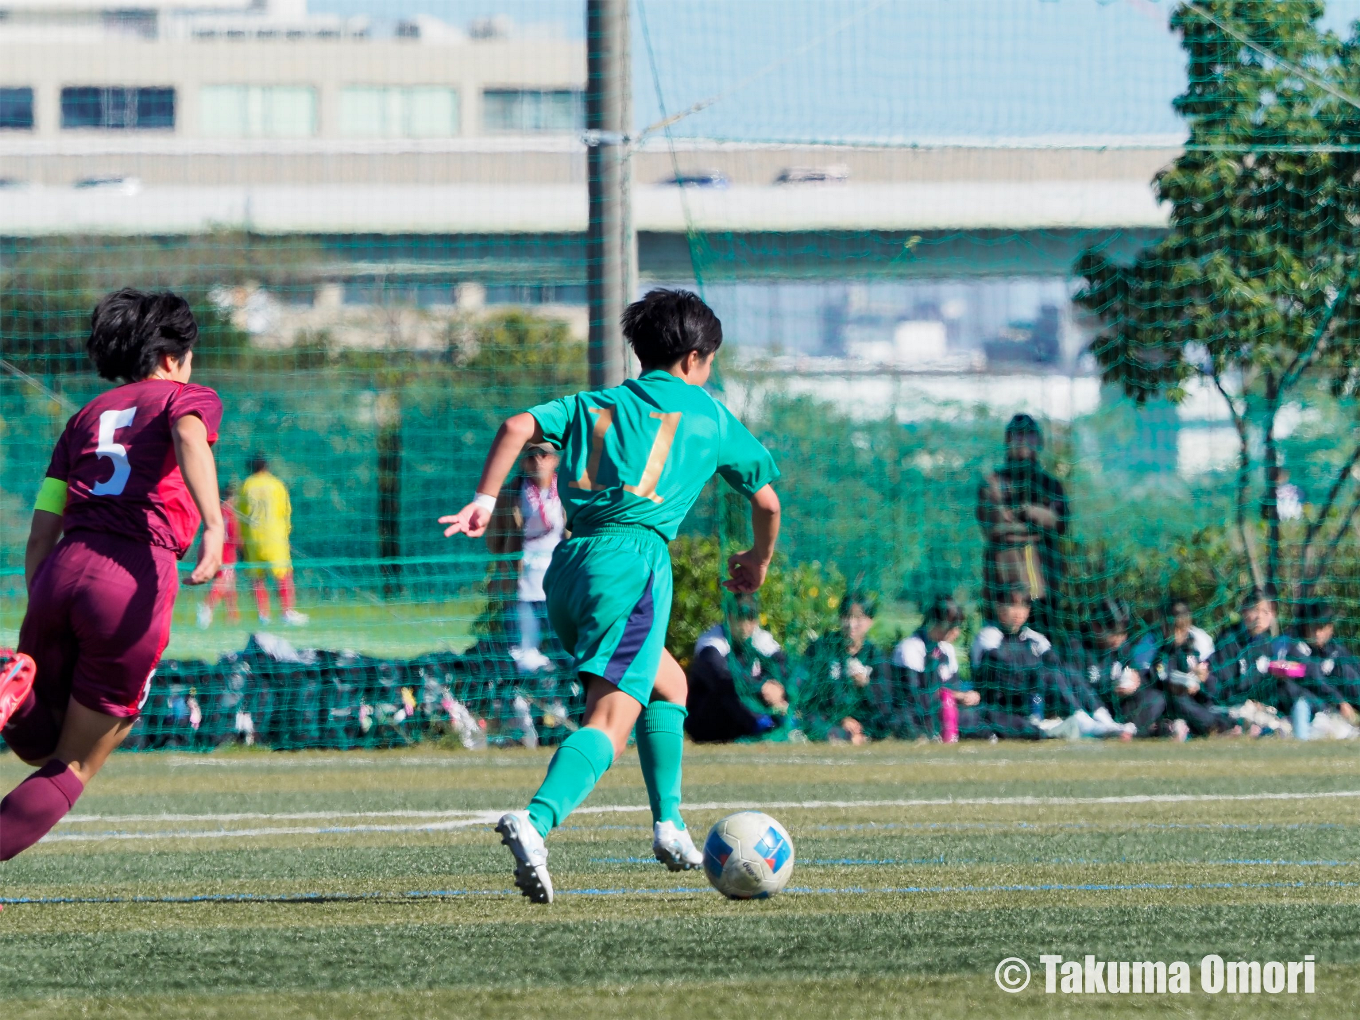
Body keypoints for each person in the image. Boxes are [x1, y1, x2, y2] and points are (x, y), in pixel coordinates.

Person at [440, 288, 781, 903]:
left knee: (668, 685)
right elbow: (766, 499)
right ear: (697, 358)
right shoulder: (707, 413)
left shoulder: (595, 402)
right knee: (610, 719)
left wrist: (485, 501)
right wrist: (756, 560)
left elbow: (517, 426)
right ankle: (536, 822)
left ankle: (670, 825)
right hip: (634, 562)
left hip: (569, 566)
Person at [0, 289, 224, 861]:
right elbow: (189, 437)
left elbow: (42, 526)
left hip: (62, 568)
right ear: (173, 358)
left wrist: (42, 601)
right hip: (131, 576)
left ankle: (14, 686)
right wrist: (216, 529)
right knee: (77, 762)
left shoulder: (84, 419)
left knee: (41, 739)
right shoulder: (183, 397)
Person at [971, 586, 1129, 738]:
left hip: (1036, 697)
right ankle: (1079, 718)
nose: (1019, 612)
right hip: (1003, 702)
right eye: (1012, 605)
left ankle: (1101, 716)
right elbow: (1003, 669)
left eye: (1024, 605)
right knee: (1048, 673)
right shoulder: (989, 636)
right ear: (998, 607)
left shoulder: (1034, 638)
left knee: (1065, 670)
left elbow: (1058, 665)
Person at [976, 413, 1069, 638]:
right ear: (1008, 440)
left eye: (1029, 436)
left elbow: (1060, 522)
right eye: (1017, 436)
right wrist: (1036, 529)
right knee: (1000, 642)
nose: (1023, 442)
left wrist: (1026, 510)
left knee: (1042, 642)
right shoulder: (993, 482)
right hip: (1004, 582)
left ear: (1039, 441)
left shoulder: (1050, 484)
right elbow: (995, 528)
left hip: (1043, 581)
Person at [485, 441, 567, 672]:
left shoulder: (567, 491)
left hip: (559, 581)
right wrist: (502, 568)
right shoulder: (511, 493)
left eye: (544, 455)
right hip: (523, 582)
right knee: (524, 649)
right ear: (523, 461)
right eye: (532, 456)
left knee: (565, 647)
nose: (538, 460)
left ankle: (567, 700)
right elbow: (495, 540)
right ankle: (526, 699)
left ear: (555, 460)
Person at [686, 596, 791, 743]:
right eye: (740, 616)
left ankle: (785, 725)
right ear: (728, 618)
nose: (745, 623)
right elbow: (720, 677)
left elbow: (784, 667)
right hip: (708, 721)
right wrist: (761, 687)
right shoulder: (712, 641)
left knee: (788, 684)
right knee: (732, 687)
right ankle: (765, 726)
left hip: (742, 717)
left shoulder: (761, 639)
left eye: (750, 616)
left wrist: (776, 688)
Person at [795, 592, 892, 744]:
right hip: (828, 717)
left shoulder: (875, 655)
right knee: (812, 720)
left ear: (870, 621)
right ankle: (841, 735)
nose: (851, 624)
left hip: (862, 721)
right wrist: (841, 719)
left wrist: (866, 686)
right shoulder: (822, 649)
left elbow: (884, 703)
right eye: (847, 617)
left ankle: (860, 735)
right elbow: (811, 696)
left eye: (858, 618)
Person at [1135, 598, 1234, 737]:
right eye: (1173, 628)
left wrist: (1202, 681)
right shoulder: (1149, 643)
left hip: (1190, 701)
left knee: (1204, 699)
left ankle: (1214, 724)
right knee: (1170, 700)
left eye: (1182, 629)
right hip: (1163, 700)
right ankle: (1214, 727)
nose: (1177, 634)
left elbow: (1212, 685)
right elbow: (1144, 679)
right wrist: (1169, 684)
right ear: (1163, 624)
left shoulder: (1195, 643)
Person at [1074, 597, 1167, 737]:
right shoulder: (1076, 648)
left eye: (1123, 633)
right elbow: (1076, 687)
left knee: (1155, 698)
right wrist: (1108, 689)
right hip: (1091, 711)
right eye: (1114, 633)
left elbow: (1135, 673)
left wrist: (1136, 683)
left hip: (1118, 710)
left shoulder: (1122, 649)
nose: (1120, 638)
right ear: (1096, 626)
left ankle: (1127, 732)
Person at [891, 595, 980, 740]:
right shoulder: (911, 647)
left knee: (980, 715)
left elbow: (954, 687)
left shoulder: (947, 649)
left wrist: (968, 696)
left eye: (958, 627)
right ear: (934, 623)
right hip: (916, 712)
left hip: (943, 709)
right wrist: (951, 696)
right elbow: (915, 695)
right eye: (951, 627)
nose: (956, 633)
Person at [237, 453, 307, 627]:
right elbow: (286, 511)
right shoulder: (276, 484)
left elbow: (241, 515)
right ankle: (287, 612)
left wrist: (243, 540)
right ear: (266, 466)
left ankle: (263, 615)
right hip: (275, 536)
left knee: (257, 578)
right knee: (283, 575)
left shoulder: (246, 486)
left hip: (254, 538)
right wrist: (286, 533)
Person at [197, 481, 241, 628]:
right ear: (232, 498)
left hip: (217, 551)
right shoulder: (231, 514)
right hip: (227, 553)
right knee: (222, 584)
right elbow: (235, 535)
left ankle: (232, 616)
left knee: (230, 584)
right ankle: (206, 607)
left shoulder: (217, 512)